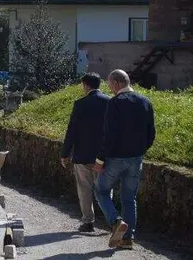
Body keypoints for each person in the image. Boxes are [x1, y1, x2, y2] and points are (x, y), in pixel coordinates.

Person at [94, 69, 156, 250]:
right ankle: (127, 239)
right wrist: (140, 150)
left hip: (115, 158)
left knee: (101, 190)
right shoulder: (146, 102)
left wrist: (100, 161)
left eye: (109, 85)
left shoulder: (115, 103)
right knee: (129, 198)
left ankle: (116, 223)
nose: (110, 88)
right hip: (136, 158)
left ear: (116, 83)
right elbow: (151, 133)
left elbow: (109, 134)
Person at [60, 72, 110, 233]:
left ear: (86, 85)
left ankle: (88, 222)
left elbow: (72, 130)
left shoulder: (80, 104)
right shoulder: (111, 102)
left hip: (82, 154)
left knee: (84, 188)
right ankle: (113, 221)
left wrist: (65, 153)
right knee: (104, 189)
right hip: (104, 155)